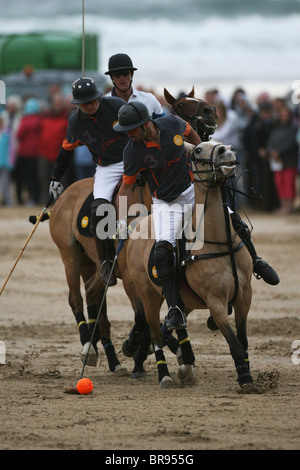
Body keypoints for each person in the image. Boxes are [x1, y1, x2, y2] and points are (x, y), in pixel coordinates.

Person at [113, 101, 201, 331]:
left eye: (131, 129)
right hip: (166, 203)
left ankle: (256, 261)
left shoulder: (173, 123)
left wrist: (203, 156)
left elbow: (193, 136)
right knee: (162, 252)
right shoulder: (132, 152)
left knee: (231, 219)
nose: (129, 134)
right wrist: (121, 222)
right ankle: (174, 309)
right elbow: (125, 189)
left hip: (193, 191)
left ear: (145, 124)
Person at [48, 77, 129, 286]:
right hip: (107, 168)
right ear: (77, 105)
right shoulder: (75, 122)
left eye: (92, 101)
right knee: (99, 208)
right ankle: (106, 262)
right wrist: (55, 178)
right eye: (84, 104)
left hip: (133, 158)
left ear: (99, 98)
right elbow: (66, 151)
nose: (90, 106)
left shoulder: (117, 106)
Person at [104, 53, 165, 119]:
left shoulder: (150, 100)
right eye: (117, 74)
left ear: (131, 74)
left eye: (125, 73)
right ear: (112, 78)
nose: (122, 78)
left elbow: (165, 124)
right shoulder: (104, 105)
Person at [267, 105, 299, 214]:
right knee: (279, 184)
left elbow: (292, 143)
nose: (284, 117)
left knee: (289, 184)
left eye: (286, 115)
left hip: (289, 160)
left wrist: (279, 152)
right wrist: (271, 151)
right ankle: (283, 206)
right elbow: (271, 141)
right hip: (277, 162)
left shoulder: (294, 127)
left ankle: (289, 207)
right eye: (282, 115)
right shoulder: (277, 127)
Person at [15, 97, 42, 205]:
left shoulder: (25, 120)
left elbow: (19, 135)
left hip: (24, 152)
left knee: (23, 177)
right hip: (36, 152)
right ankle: (35, 197)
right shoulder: (40, 119)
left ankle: (21, 198)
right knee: (34, 176)